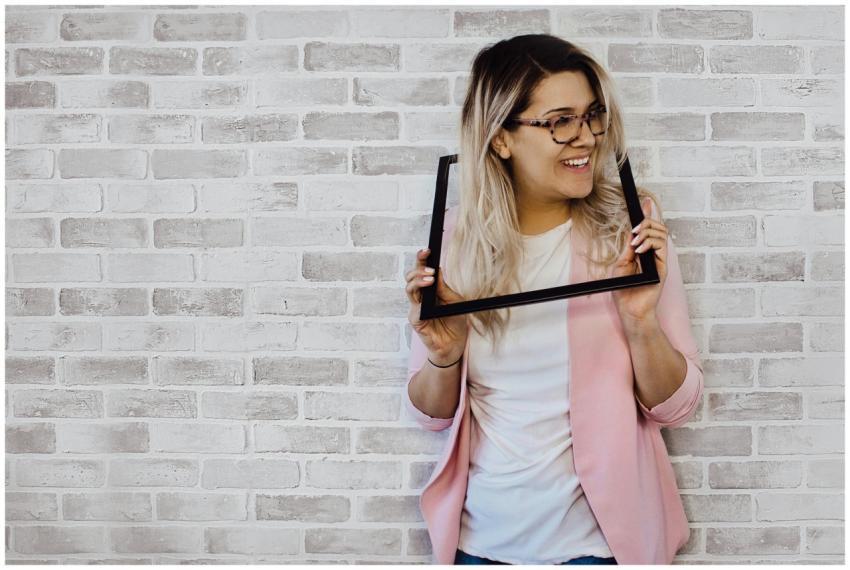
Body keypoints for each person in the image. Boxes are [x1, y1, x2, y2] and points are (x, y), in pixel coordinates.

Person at [403, 34, 704, 565]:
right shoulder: (456, 242)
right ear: (501, 139)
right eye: (559, 121)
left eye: (592, 116)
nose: (585, 137)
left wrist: (640, 323)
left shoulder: (629, 231)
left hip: (600, 547)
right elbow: (432, 414)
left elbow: (676, 406)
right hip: (480, 545)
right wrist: (443, 356)